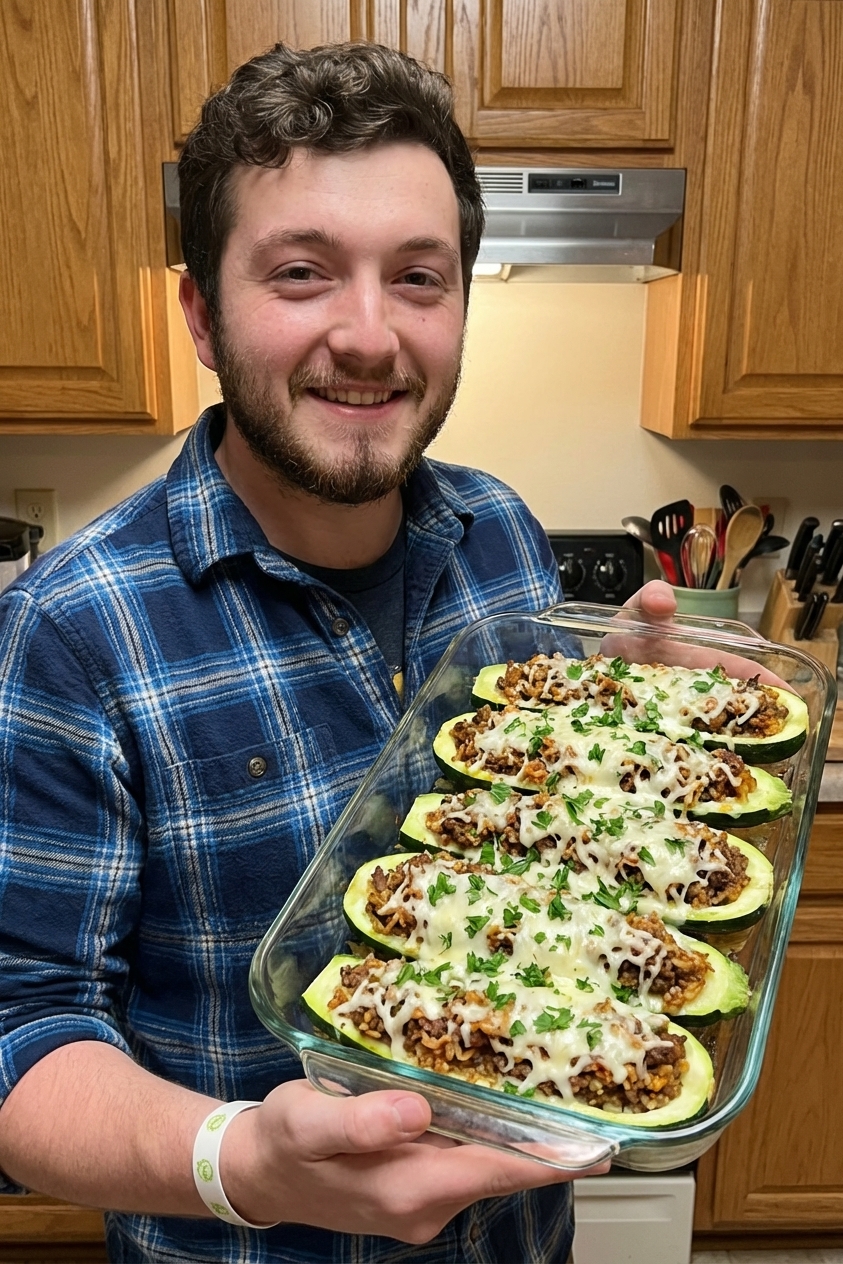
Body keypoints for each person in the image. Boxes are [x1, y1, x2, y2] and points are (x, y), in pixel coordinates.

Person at [0, 41, 675, 1263]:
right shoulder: (71, 628)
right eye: (302, 273)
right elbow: (21, 1035)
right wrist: (244, 1159)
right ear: (203, 312)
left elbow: (554, 865)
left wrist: (630, 739)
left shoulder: (504, 538)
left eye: (418, 276)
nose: (369, 337)